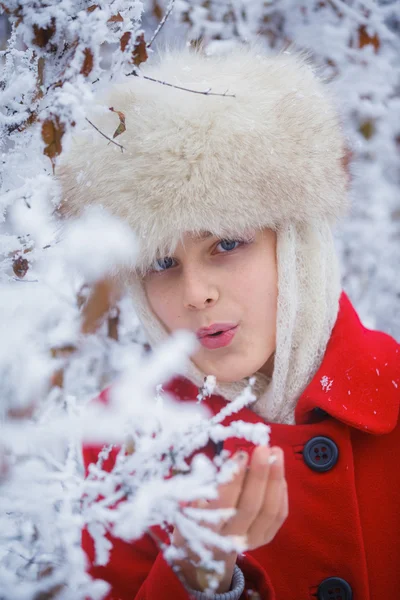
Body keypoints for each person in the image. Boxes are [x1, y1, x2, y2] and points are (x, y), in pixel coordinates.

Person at [58, 44, 400, 600]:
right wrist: (197, 578)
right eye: (162, 263)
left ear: (296, 245)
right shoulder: (120, 444)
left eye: (227, 243)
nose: (195, 294)